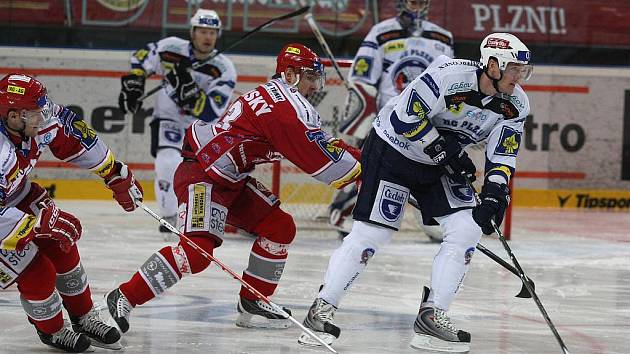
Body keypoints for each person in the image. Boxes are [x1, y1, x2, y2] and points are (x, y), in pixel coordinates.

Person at [299, 32, 532, 353]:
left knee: (467, 229)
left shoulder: (516, 103)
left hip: (438, 162)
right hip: (393, 151)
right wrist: (446, 150)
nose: (519, 78)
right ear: (492, 64)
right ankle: (321, 308)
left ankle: (433, 315)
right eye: (514, 70)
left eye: (523, 71)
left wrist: (495, 193)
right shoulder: (449, 76)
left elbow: (503, 152)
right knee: (372, 233)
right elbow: (403, 117)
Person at [105, 43, 362, 334]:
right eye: (310, 77)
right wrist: (368, 170)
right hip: (203, 176)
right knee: (197, 252)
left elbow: (321, 143)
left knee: (279, 227)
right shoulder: (285, 109)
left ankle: (253, 300)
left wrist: (368, 161)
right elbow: (321, 157)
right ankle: (123, 297)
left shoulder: (280, 97)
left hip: (229, 178)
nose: (315, 85)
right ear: (290, 74)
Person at [0, 73, 144, 352]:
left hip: (14, 196)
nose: (43, 119)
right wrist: (34, 225)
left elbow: (70, 134)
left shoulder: (25, 122)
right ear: (13, 116)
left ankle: (83, 316)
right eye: (35, 114)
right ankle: (52, 330)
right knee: (37, 271)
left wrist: (112, 171)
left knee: (63, 245)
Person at [330, 0, 453, 241]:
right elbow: (363, 78)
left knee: (430, 170)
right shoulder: (381, 32)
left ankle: (433, 218)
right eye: (412, 1)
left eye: (421, 1)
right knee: (369, 168)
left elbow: (449, 83)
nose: (416, 7)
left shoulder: (443, 37)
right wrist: (365, 118)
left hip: (424, 123)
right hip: (388, 121)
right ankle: (345, 210)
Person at [118, 8, 236, 238]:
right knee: (168, 159)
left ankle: (203, 215)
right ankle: (169, 216)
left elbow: (212, 112)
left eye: (212, 32)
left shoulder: (224, 68)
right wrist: (136, 81)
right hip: (168, 118)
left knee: (204, 176)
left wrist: (188, 88)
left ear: (218, 35)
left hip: (200, 127)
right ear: (192, 32)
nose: (207, 37)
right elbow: (142, 56)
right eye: (202, 31)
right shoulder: (172, 47)